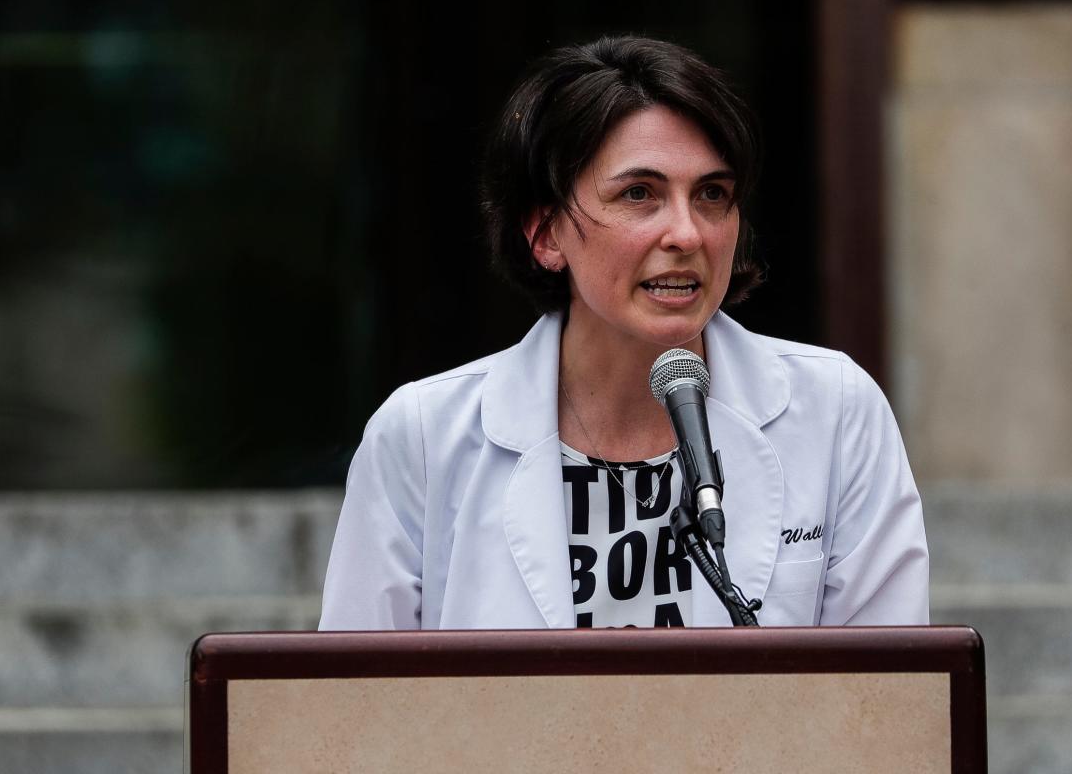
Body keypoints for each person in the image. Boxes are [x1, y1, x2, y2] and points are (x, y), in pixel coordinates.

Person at [319, 36, 928, 630]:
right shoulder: (425, 436)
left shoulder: (835, 411)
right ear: (545, 233)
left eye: (712, 195)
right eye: (640, 194)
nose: (687, 234)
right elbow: (353, 708)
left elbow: (889, 701)